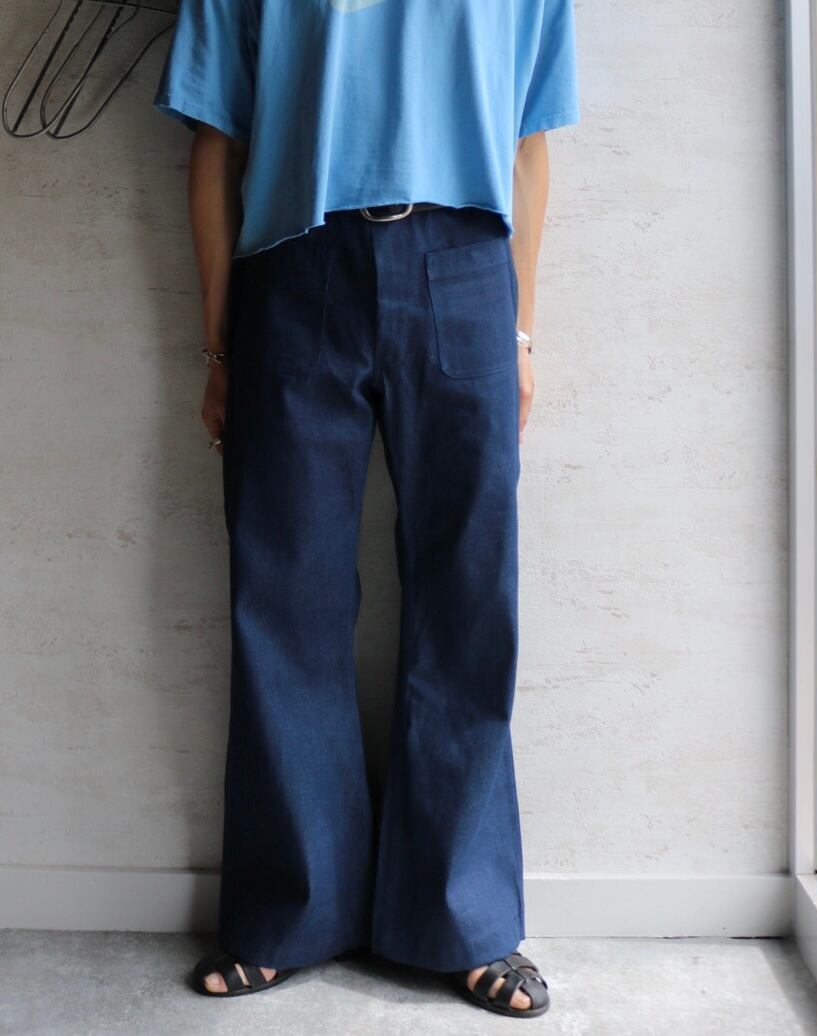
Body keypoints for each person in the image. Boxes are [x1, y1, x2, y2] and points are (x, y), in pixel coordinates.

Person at [153, 0, 580, 1018]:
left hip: (465, 265)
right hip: (294, 269)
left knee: (468, 598)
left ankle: (465, 918)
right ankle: (290, 909)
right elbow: (217, 144)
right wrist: (219, 344)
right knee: (285, 596)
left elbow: (528, 139)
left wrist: (520, 330)